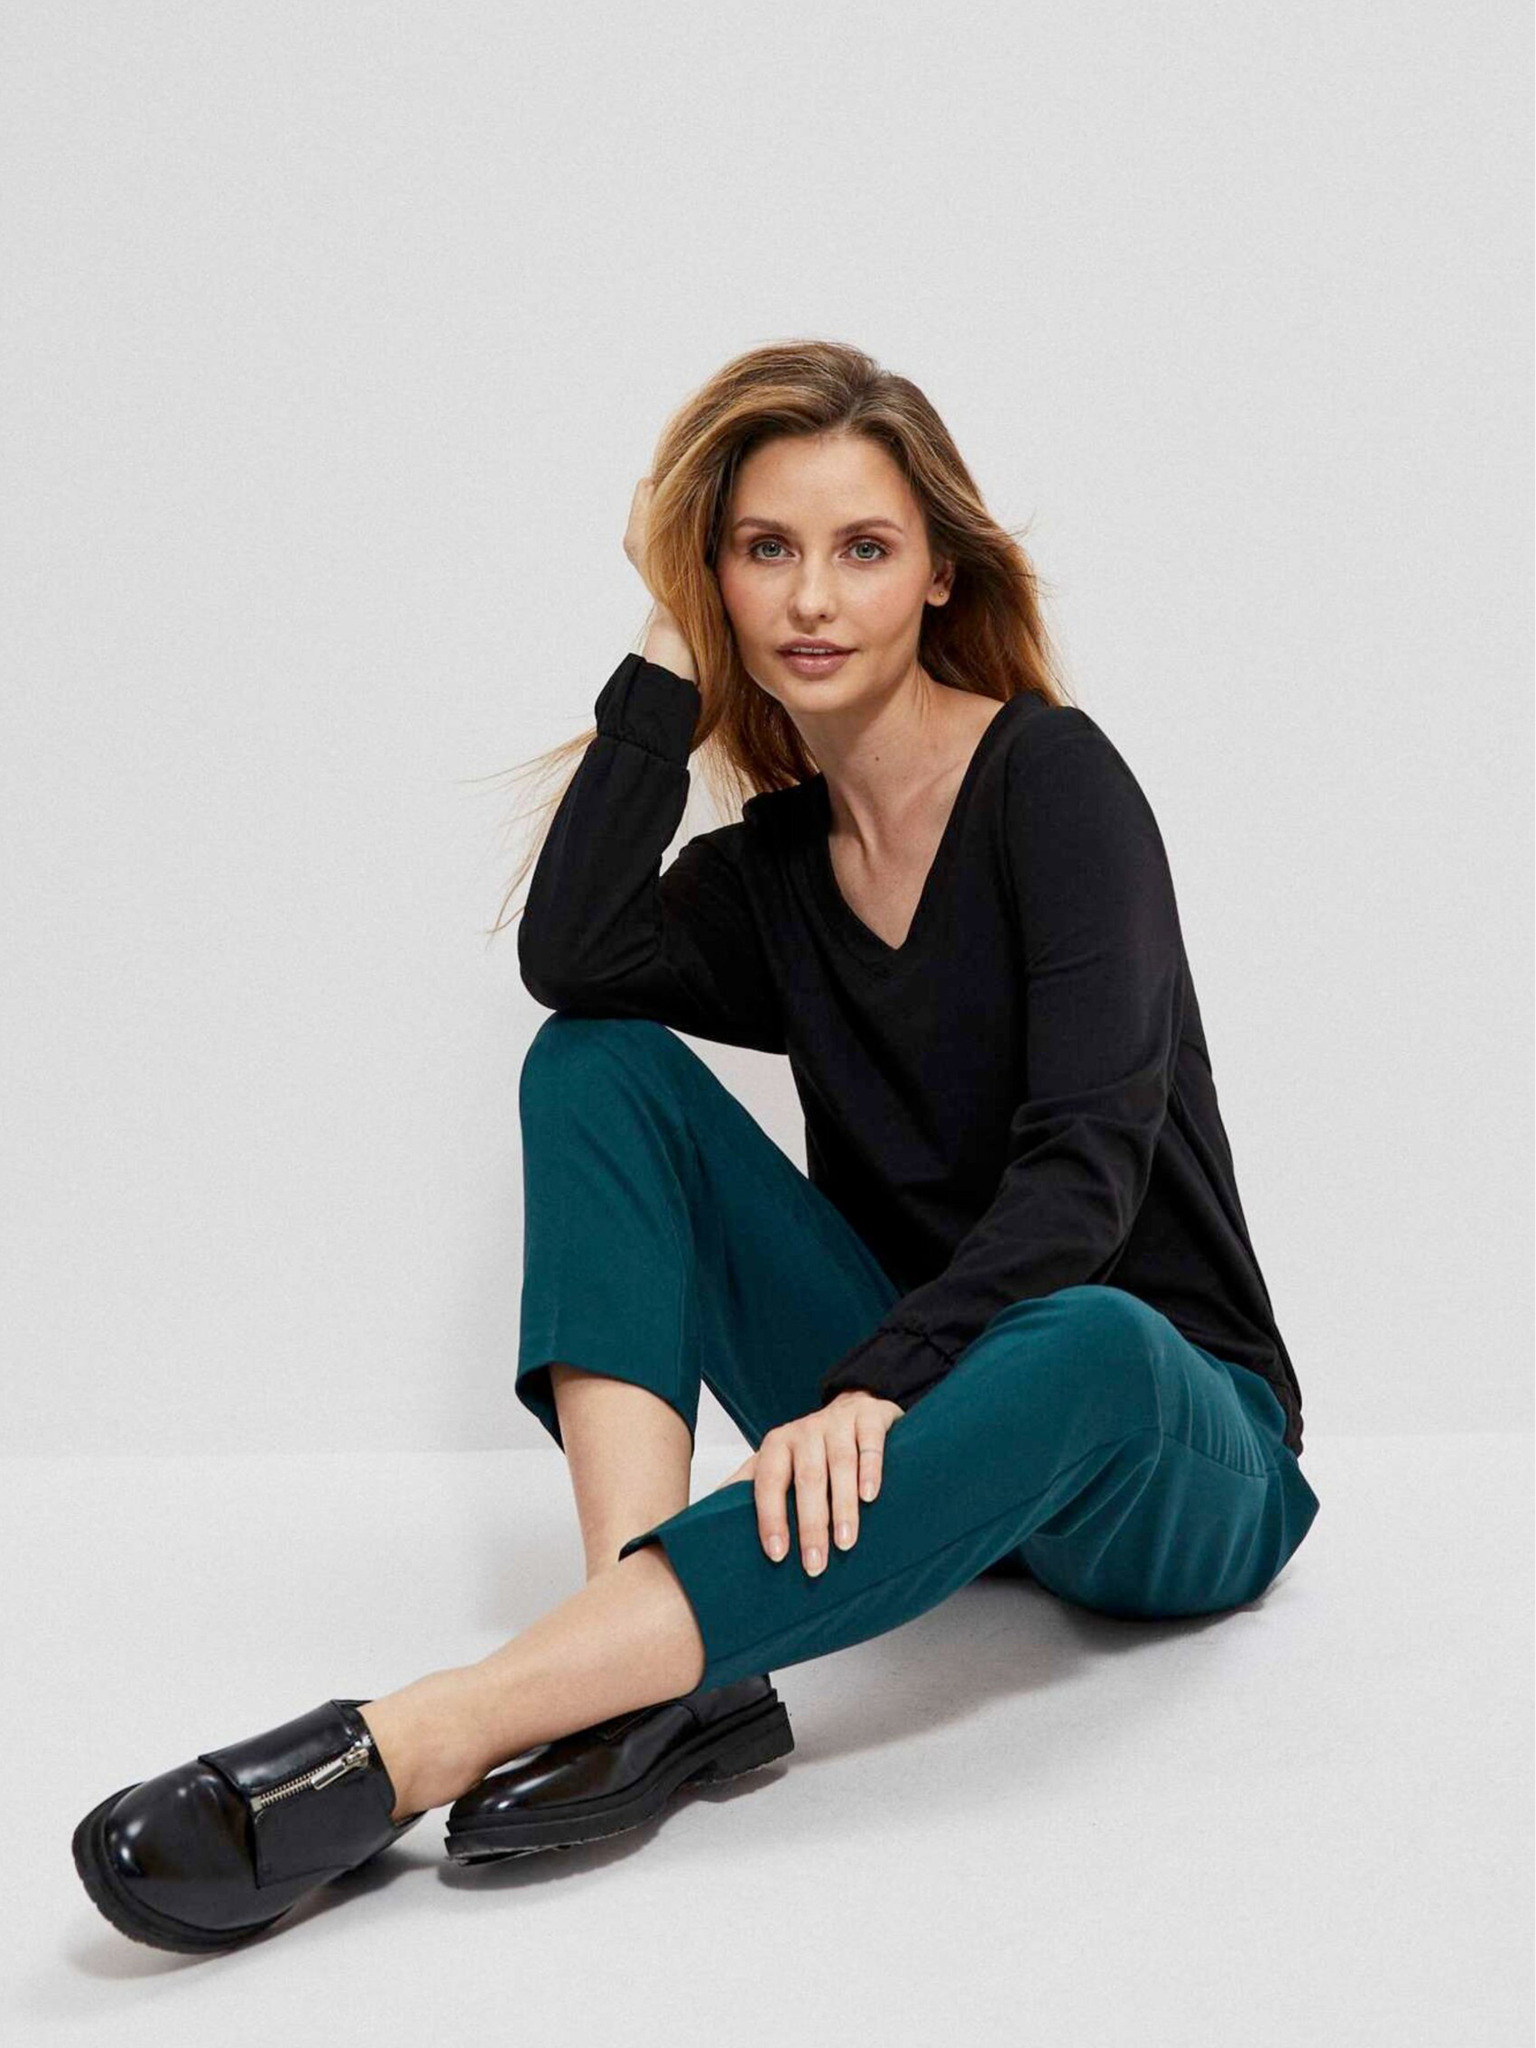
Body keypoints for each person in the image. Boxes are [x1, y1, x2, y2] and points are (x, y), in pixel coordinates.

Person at [72, 340, 1320, 1953]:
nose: (812, 598)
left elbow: (1090, 1167)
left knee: (1086, 1333)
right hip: (919, 1418)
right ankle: (657, 1687)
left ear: (940, 572)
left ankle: (429, 1733)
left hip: (1164, 1435)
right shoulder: (778, 867)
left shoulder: (1054, 785)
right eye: (762, 550)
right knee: (594, 1065)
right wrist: (664, 655)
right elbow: (575, 957)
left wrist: (883, 1382)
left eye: (863, 549)